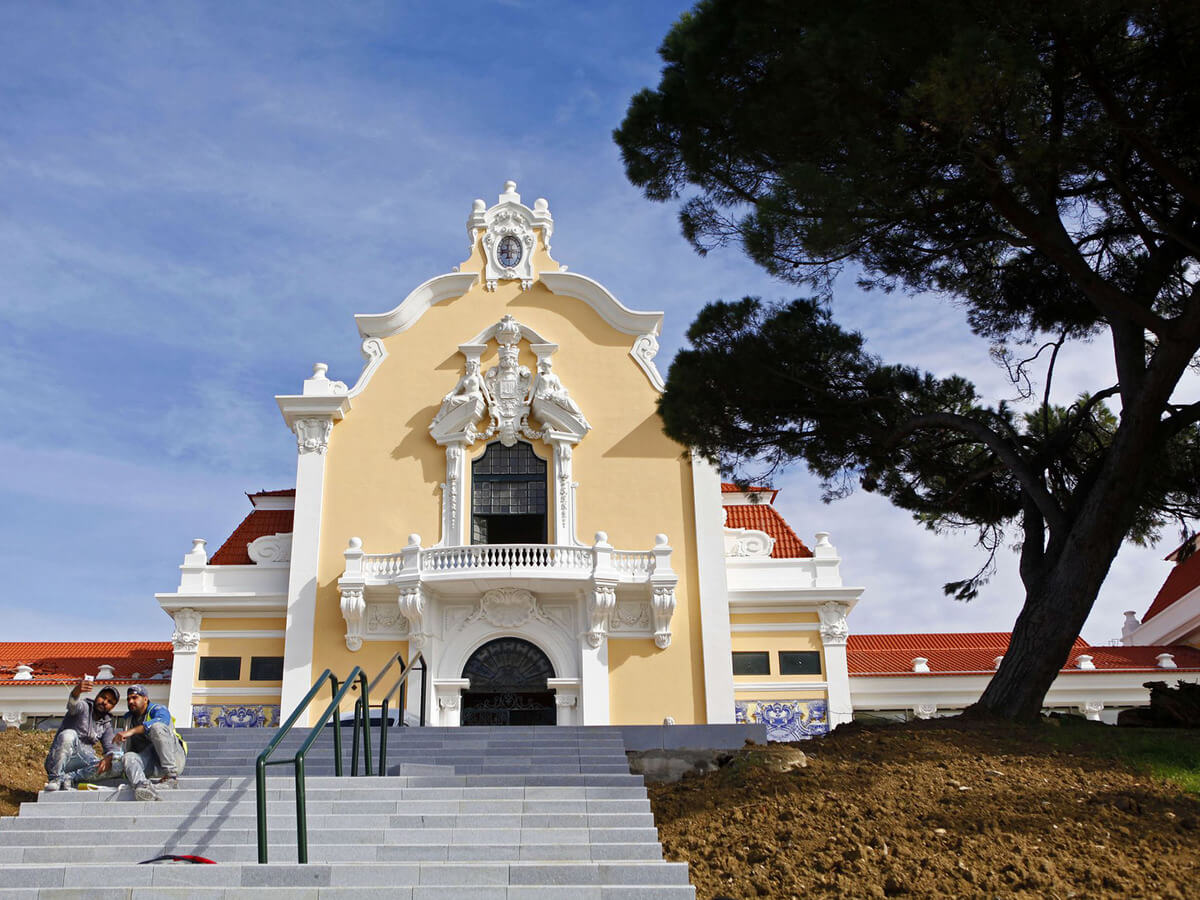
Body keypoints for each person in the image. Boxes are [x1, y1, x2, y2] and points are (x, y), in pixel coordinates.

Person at [77, 684, 187, 801]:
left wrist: (131, 731)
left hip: (174, 758)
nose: (131, 701)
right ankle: (143, 786)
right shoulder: (128, 719)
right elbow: (124, 750)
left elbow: (162, 721)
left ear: (145, 699)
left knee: (157, 727)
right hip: (151, 763)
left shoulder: (158, 709)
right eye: (129, 699)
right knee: (129, 757)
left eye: (135, 698)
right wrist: (111, 757)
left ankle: (171, 778)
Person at [43, 676, 118, 791]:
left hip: (83, 762)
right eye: (103, 697)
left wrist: (109, 757)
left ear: (112, 707)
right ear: (97, 696)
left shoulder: (106, 724)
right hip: (62, 757)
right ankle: (56, 779)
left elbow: (111, 747)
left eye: (110, 702)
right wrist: (76, 691)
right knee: (68, 734)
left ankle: (70, 778)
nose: (104, 702)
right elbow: (73, 705)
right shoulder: (84, 707)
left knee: (116, 763)